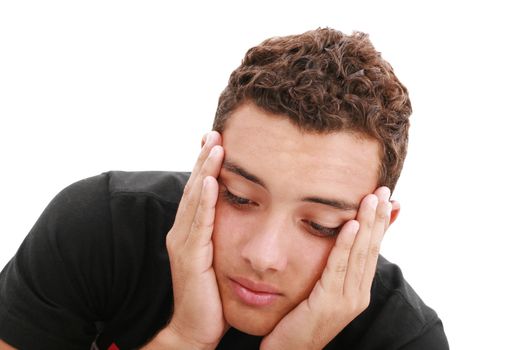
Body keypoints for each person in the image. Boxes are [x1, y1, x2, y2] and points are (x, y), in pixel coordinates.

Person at [0, 28, 449, 349]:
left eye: (320, 224)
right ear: (205, 173)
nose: (263, 255)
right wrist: (185, 339)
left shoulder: (402, 337)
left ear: (377, 226)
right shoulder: (99, 229)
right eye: (239, 196)